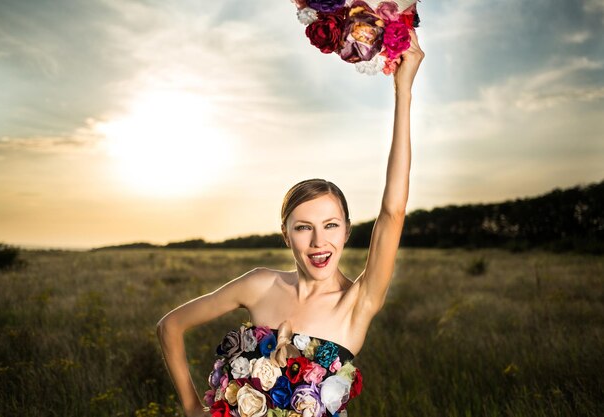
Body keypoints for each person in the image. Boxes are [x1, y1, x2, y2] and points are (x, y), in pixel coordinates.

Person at [157, 30, 424, 417]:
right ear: (286, 236)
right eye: (303, 227)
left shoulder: (357, 303)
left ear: (347, 232)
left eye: (331, 225)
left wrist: (404, 92)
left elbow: (393, 211)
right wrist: (191, 407)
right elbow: (171, 325)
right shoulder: (260, 284)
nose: (319, 241)